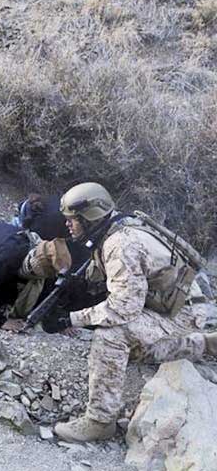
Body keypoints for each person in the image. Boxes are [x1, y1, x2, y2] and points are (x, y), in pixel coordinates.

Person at [47, 182, 217, 443]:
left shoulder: (121, 244)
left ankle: (99, 421)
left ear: (89, 217)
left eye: (73, 219)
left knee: (112, 335)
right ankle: (204, 344)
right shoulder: (115, 226)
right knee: (132, 350)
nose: (68, 225)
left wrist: (70, 319)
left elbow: (123, 308)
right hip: (172, 301)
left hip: (183, 311)